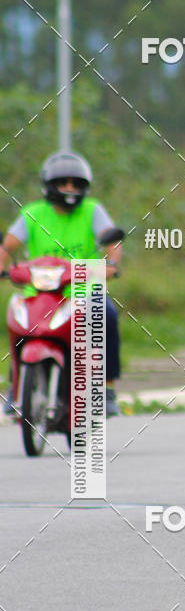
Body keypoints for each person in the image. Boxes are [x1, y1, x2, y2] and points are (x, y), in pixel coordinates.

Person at [0, 152, 123, 416]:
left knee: (107, 314)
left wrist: (111, 264)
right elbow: (7, 246)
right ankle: (16, 387)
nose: (69, 188)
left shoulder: (92, 210)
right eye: (62, 182)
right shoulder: (32, 213)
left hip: (83, 290)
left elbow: (112, 242)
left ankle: (107, 388)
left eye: (75, 183)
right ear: (48, 185)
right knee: (18, 323)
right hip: (39, 292)